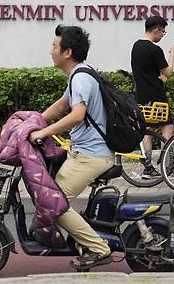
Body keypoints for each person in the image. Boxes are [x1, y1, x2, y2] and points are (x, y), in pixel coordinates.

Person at [29, 25, 113, 270]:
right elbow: (61, 105)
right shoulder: (79, 74)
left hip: (91, 156)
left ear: (67, 52)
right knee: (54, 198)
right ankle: (81, 240)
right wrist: (32, 123)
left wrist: (43, 132)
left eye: (54, 47)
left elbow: (77, 115)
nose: (50, 51)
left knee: (54, 204)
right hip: (84, 154)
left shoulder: (82, 78)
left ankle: (99, 248)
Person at [131, 15, 174, 178]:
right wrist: (172, 54)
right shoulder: (154, 49)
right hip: (156, 95)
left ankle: (147, 168)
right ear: (157, 30)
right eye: (163, 32)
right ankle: (168, 166)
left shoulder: (136, 47)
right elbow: (168, 72)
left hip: (141, 95)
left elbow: (149, 73)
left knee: (147, 129)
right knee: (168, 126)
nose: (162, 35)